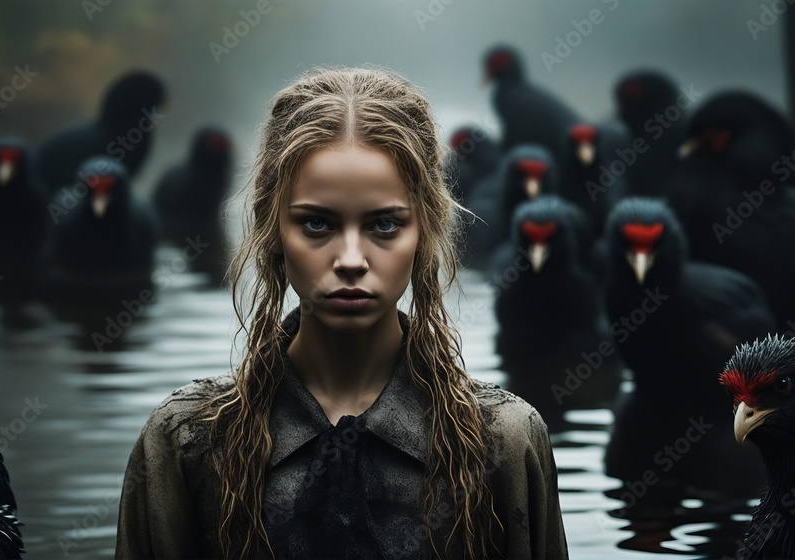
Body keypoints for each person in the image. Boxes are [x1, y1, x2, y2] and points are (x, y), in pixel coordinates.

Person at [115, 67, 568, 560]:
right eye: (316, 223)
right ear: (272, 231)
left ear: (425, 231)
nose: (351, 259)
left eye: (385, 224)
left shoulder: (504, 443)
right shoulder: (187, 443)